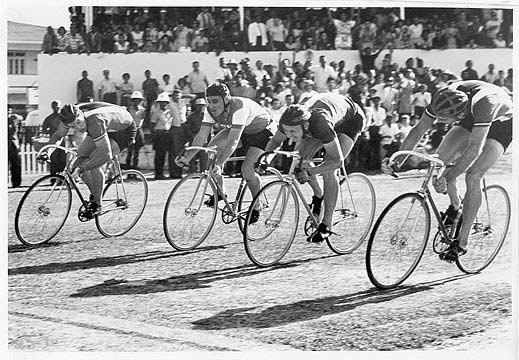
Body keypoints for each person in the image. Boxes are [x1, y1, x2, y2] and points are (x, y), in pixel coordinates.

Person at [385, 80, 513, 262]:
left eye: (445, 121)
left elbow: (475, 149)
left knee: (473, 175)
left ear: (458, 115)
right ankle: (456, 208)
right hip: (469, 116)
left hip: (502, 123)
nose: (440, 123)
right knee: (439, 161)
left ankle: (462, 242)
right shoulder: (443, 97)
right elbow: (419, 129)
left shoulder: (486, 104)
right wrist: (398, 161)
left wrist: (450, 176)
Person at [264, 93, 366, 243]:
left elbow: (338, 162)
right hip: (324, 117)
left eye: (293, 132)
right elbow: (275, 141)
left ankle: (327, 224)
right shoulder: (288, 120)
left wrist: (311, 172)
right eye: (287, 131)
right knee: (299, 160)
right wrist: (264, 160)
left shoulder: (320, 124)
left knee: (329, 169)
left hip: (350, 120)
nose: (289, 136)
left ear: (305, 126)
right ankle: (319, 196)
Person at [175, 82, 275, 217]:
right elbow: (201, 135)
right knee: (211, 150)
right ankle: (221, 192)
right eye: (209, 101)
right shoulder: (210, 111)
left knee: (247, 170)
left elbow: (233, 141)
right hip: (242, 130)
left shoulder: (239, 107)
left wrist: (219, 163)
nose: (211, 105)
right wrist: (188, 157)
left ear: (226, 98)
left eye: (215, 101)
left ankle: (258, 206)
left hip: (262, 132)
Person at [44, 102, 137, 217]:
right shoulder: (69, 117)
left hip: (124, 131)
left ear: (80, 114)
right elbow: (58, 136)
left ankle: (97, 205)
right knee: (78, 161)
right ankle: (95, 194)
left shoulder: (94, 121)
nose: (78, 128)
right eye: (73, 126)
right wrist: (46, 152)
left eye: (78, 123)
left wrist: (82, 169)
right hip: (105, 127)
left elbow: (105, 155)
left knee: (93, 163)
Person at [42, 100, 67, 179]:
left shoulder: (64, 117)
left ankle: (61, 179)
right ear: (52, 107)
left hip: (63, 141)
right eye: (54, 107)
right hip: (53, 140)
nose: (56, 108)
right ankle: (53, 178)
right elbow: (44, 129)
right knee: (53, 160)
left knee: (63, 159)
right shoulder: (49, 118)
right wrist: (52, 131)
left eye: (58, 106)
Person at [125, 91, 146, 171]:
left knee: (137, 152)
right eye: (134, 100)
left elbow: (143, 119)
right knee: (130, 151)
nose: (136, 101)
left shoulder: (142, 109)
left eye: (138, 100)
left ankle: (135, 169)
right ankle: (128, 170)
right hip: (131, 130)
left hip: (138, 129)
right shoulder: (129, 109)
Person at [8, 106, 22, 188]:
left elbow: (18, 130)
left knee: (16, 165)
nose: (8, 112)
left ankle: (16, 183)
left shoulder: (14, 119)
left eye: (9, 110)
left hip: (14, 144)